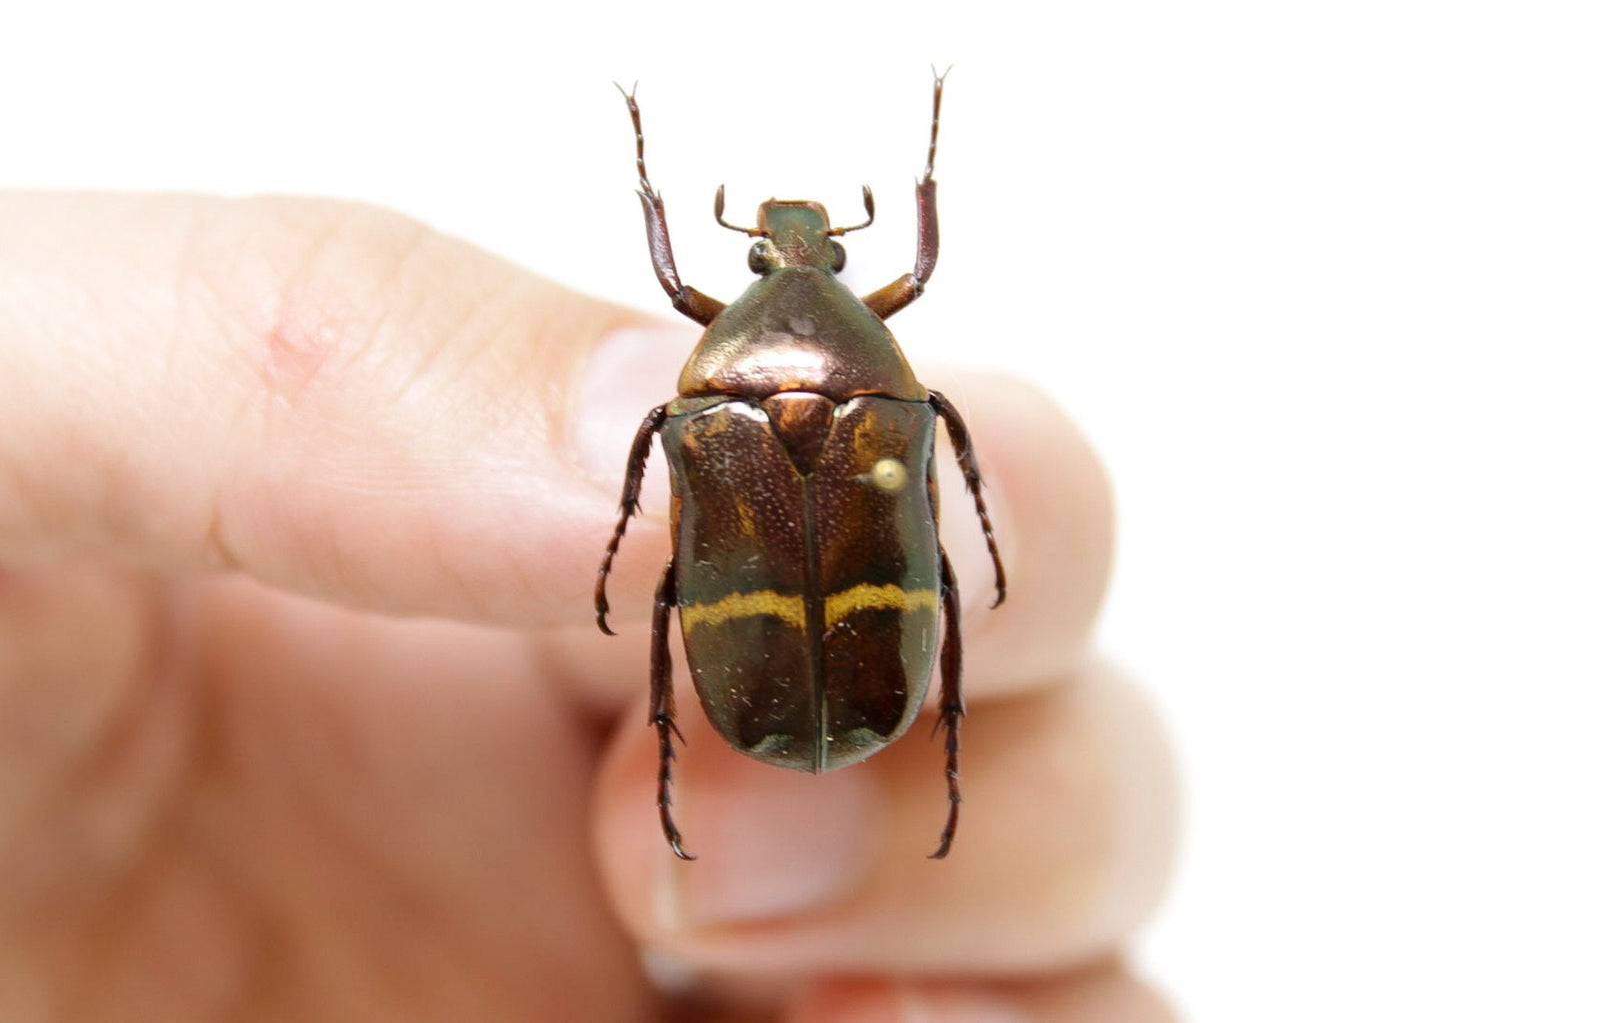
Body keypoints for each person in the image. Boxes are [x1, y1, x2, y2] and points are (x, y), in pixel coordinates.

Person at [0, 193, 1178, 1021]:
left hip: (753, 683)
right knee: (940, 594)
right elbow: (944, 458)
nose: (788, 252)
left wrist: (628, 516)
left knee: (673, 586)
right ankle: (935, 742)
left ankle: (729, 748)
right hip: (857, 688)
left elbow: (673, 298)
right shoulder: (902, 413)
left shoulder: (702, 409)